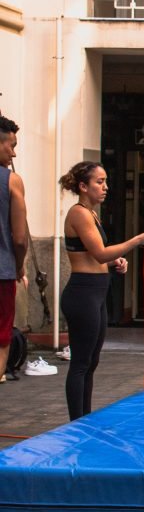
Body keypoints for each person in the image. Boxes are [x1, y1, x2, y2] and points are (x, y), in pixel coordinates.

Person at [59, 162, 144, 419]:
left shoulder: (92, 214)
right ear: (83, 186)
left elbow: (96, 255)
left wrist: (115, 261)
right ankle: (76, 422)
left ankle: (85, 419)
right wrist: (137, 240)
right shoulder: (79, 213)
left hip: (97, 292)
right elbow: (100, 252)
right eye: (99, 182)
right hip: (82, 294)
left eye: (105, 181)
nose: (105, 187)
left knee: (91, 363)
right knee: (81, 363)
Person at [0, 115, 29, 386]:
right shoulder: (11, 181)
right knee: (1, 337)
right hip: (2, 270)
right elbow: (19, 238)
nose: (14, 152)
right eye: (11, 145)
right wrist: (20, 265)